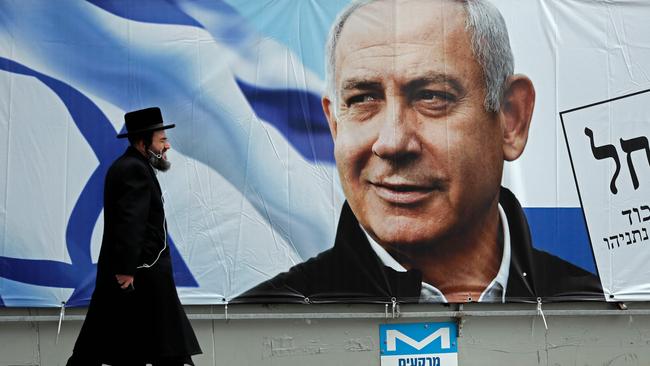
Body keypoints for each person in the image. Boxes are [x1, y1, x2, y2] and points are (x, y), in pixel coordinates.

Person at [238, 0, 603, 303]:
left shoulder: (603, 316)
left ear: (512, 119)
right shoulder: (256, 330)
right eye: (363, 99)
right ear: (335, 125)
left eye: (432, 96)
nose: (393, 142)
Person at [67, 107, 201, 365]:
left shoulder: (133, 166)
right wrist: (128, 268)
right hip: (138, 276)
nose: (168, 146)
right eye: (162, 140)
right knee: (156, 346)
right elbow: (130, 223)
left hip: (137, 274)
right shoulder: (133, 169)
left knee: (145, 346)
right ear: (143, 142)